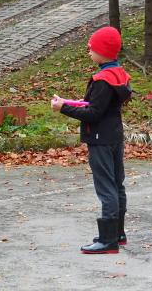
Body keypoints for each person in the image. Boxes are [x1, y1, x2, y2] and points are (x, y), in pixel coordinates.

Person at [51, 26, 132, 254]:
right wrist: (72, 102)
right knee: (117, 183)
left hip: (100, 139)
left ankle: (108, 240)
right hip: (114, 135)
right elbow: (99, 105)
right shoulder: (118, 74)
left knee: (106, 187)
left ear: (103, 52)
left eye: (91, 49)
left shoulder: (102, 80)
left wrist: (63, 108)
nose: (89, 52)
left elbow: (94, 113)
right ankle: (118, 233)